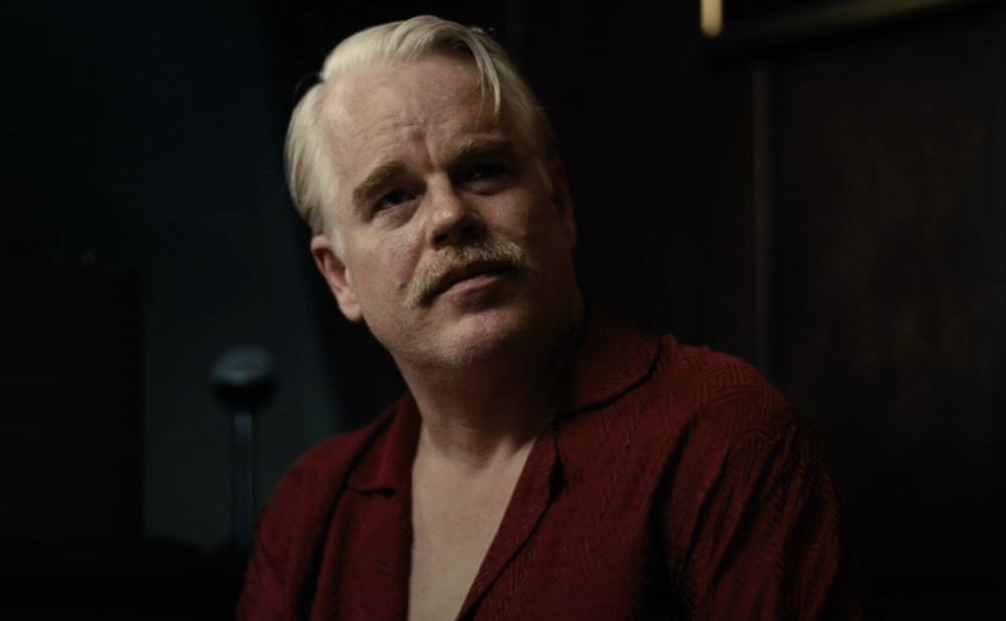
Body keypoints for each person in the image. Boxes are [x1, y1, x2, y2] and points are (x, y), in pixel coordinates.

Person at [238, 15, 859, 620]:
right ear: (340, 277)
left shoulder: (726, 438)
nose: (450, 215)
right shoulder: (308, 511)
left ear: (559, 202)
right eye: (394, 197)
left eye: (483, 170)